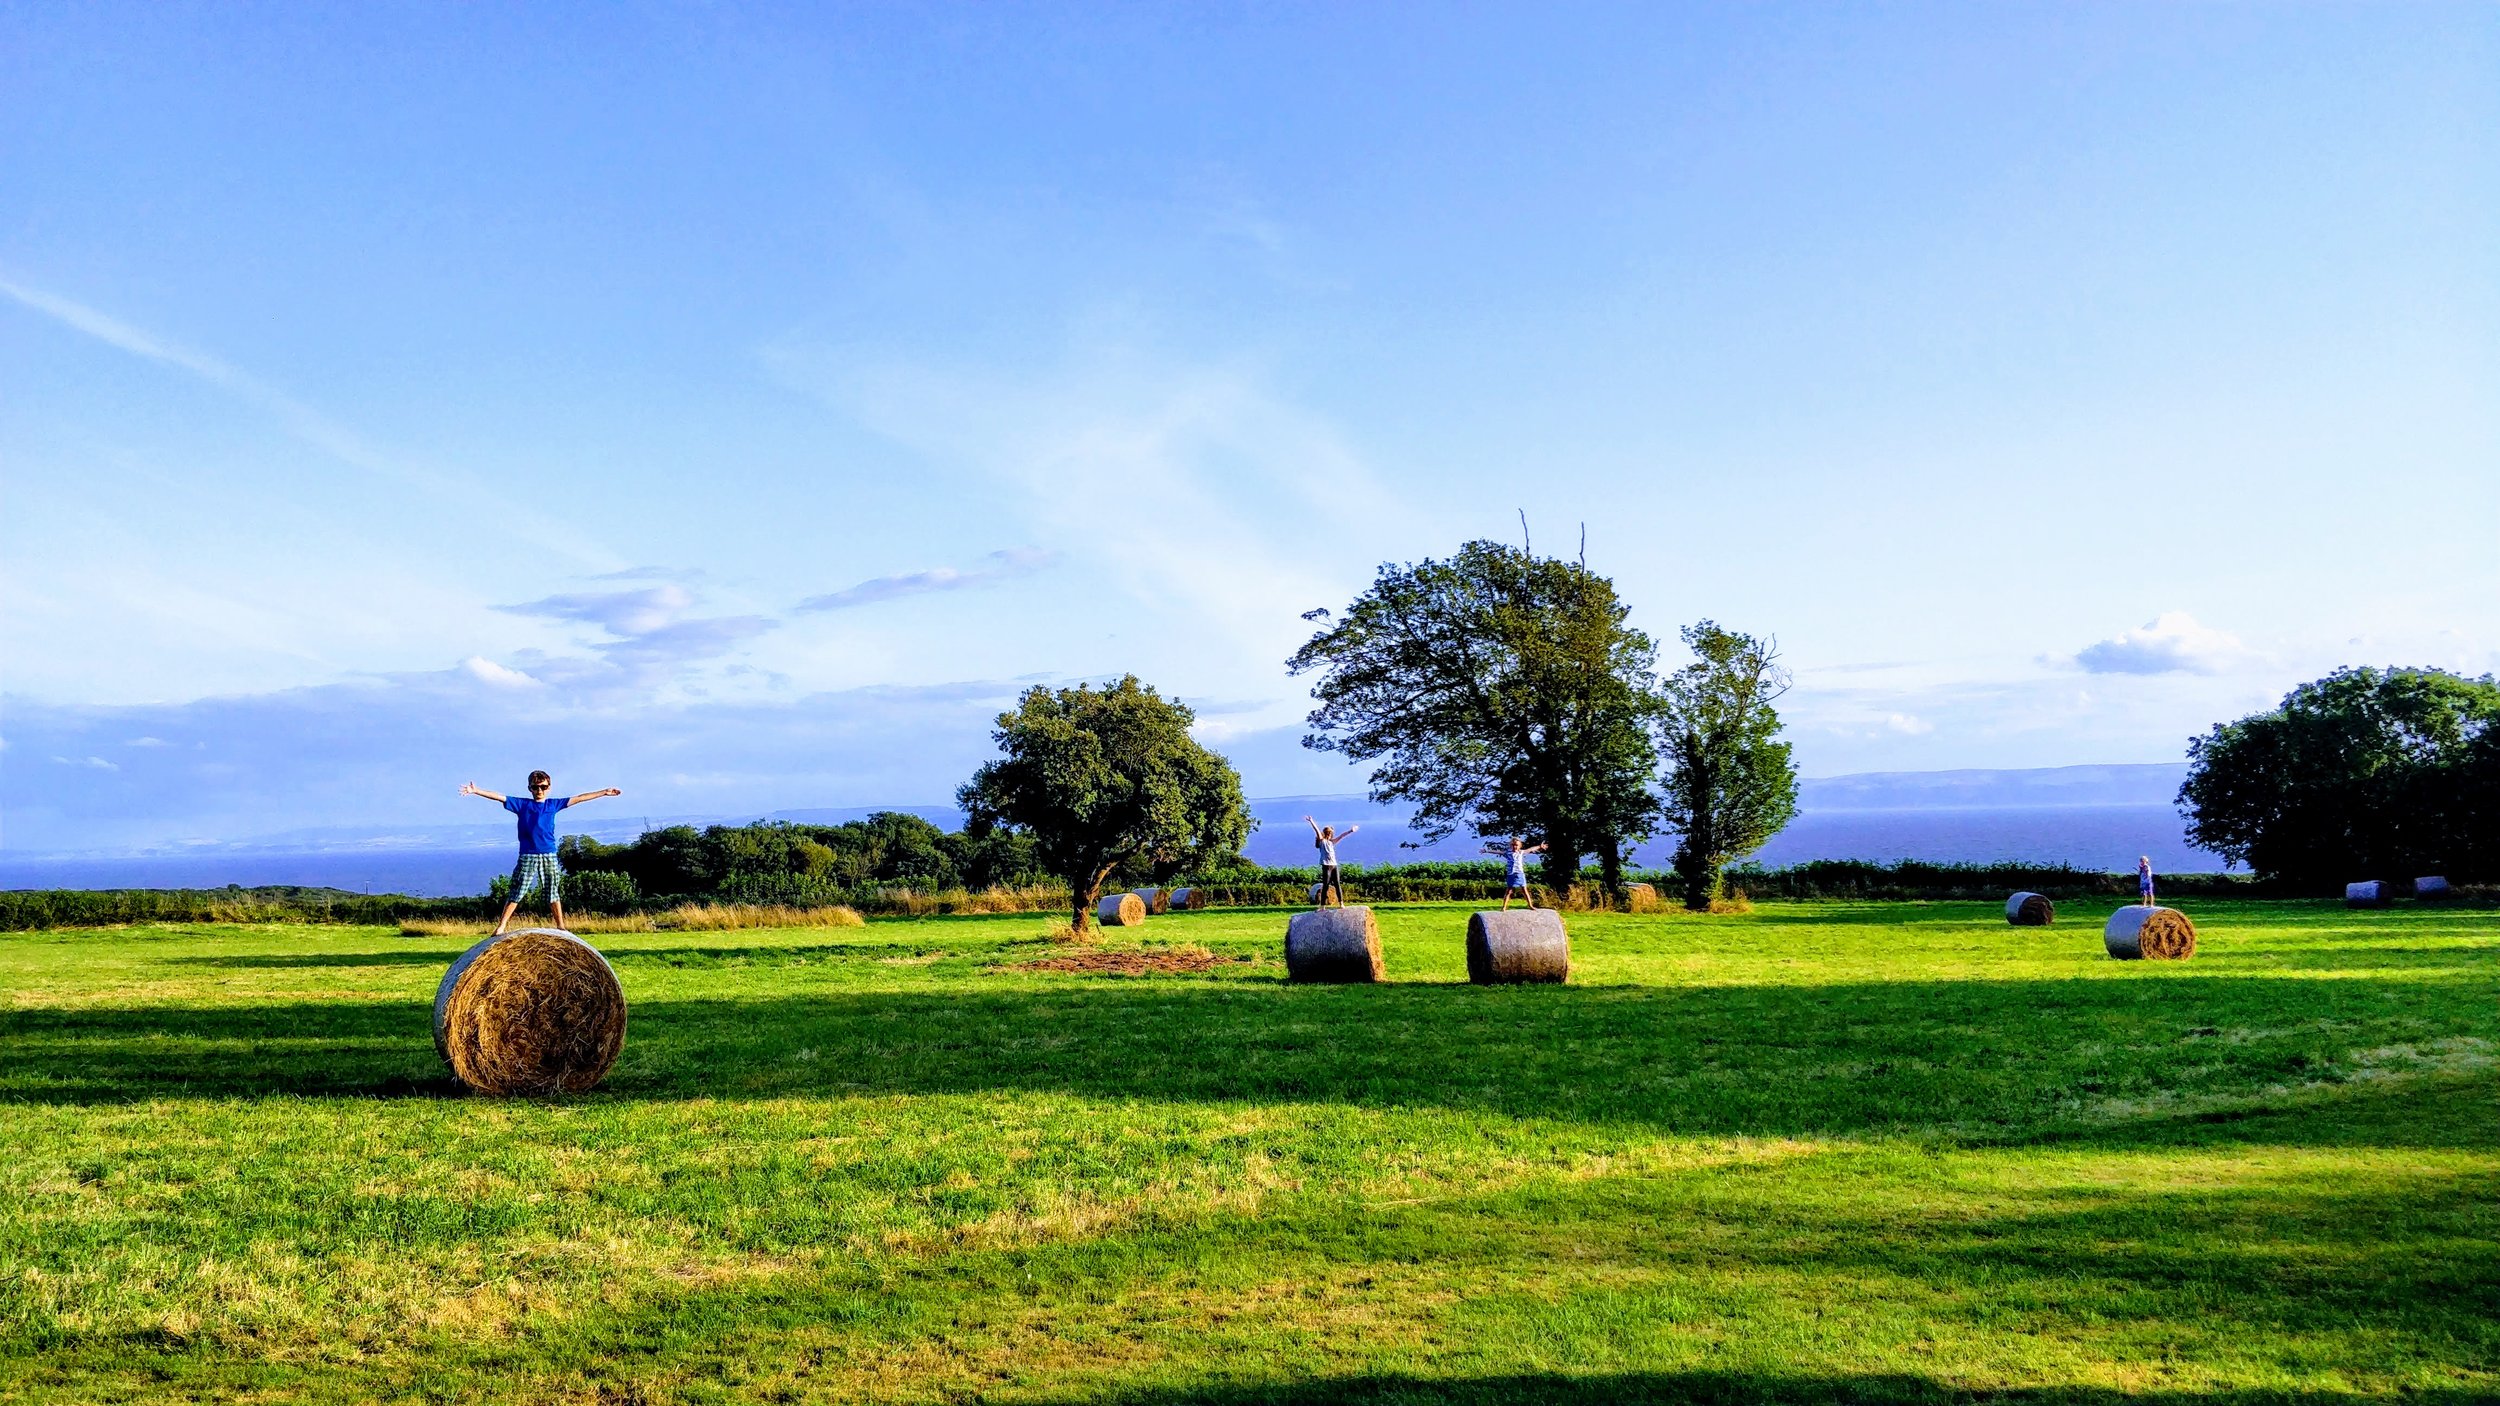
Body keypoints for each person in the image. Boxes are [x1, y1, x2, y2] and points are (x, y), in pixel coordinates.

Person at [462, 771, 623, 934]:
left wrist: (604, 792)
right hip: (527, 855)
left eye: (543, 787)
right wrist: (476, 791)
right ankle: (501, 926)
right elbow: (499, 797)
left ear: (549, 787)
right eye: (536, 787)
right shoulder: (522, 805)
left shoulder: (553, 805)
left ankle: (561, 926)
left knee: (552, 891)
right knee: (517, 891)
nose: (540, 790)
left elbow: (580, 798)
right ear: (530, 788)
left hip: (549, 854)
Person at [1305, 816, 1359, 907]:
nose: (1331, 835)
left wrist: (1351, 831)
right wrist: (1311, 821)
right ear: (1328, 834)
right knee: (1325, 885)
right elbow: (1317, 830)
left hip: (1334, 866)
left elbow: (1342, 836)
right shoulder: (1322, 842)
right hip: (1326, 866)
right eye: (1330, 833)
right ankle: (1322, 906)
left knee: (1337, 884)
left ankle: (1341, 904)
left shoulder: (1332, 842)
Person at [1488, 835, 1548, 910]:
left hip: (1520, 873)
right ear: (1511, 845)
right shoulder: (1508, 853)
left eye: (1516, 845)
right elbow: (1497, 852)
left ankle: (1530, 906)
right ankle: (1504, 907)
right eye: (1513, 845)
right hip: (1511, 874)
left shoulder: (1521, 852)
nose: (1514, 847)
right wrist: (1487, 851)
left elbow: (1530, 849)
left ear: (1520, 846)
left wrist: (1539, 846)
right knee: (1509, 891)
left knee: (1524, 890)